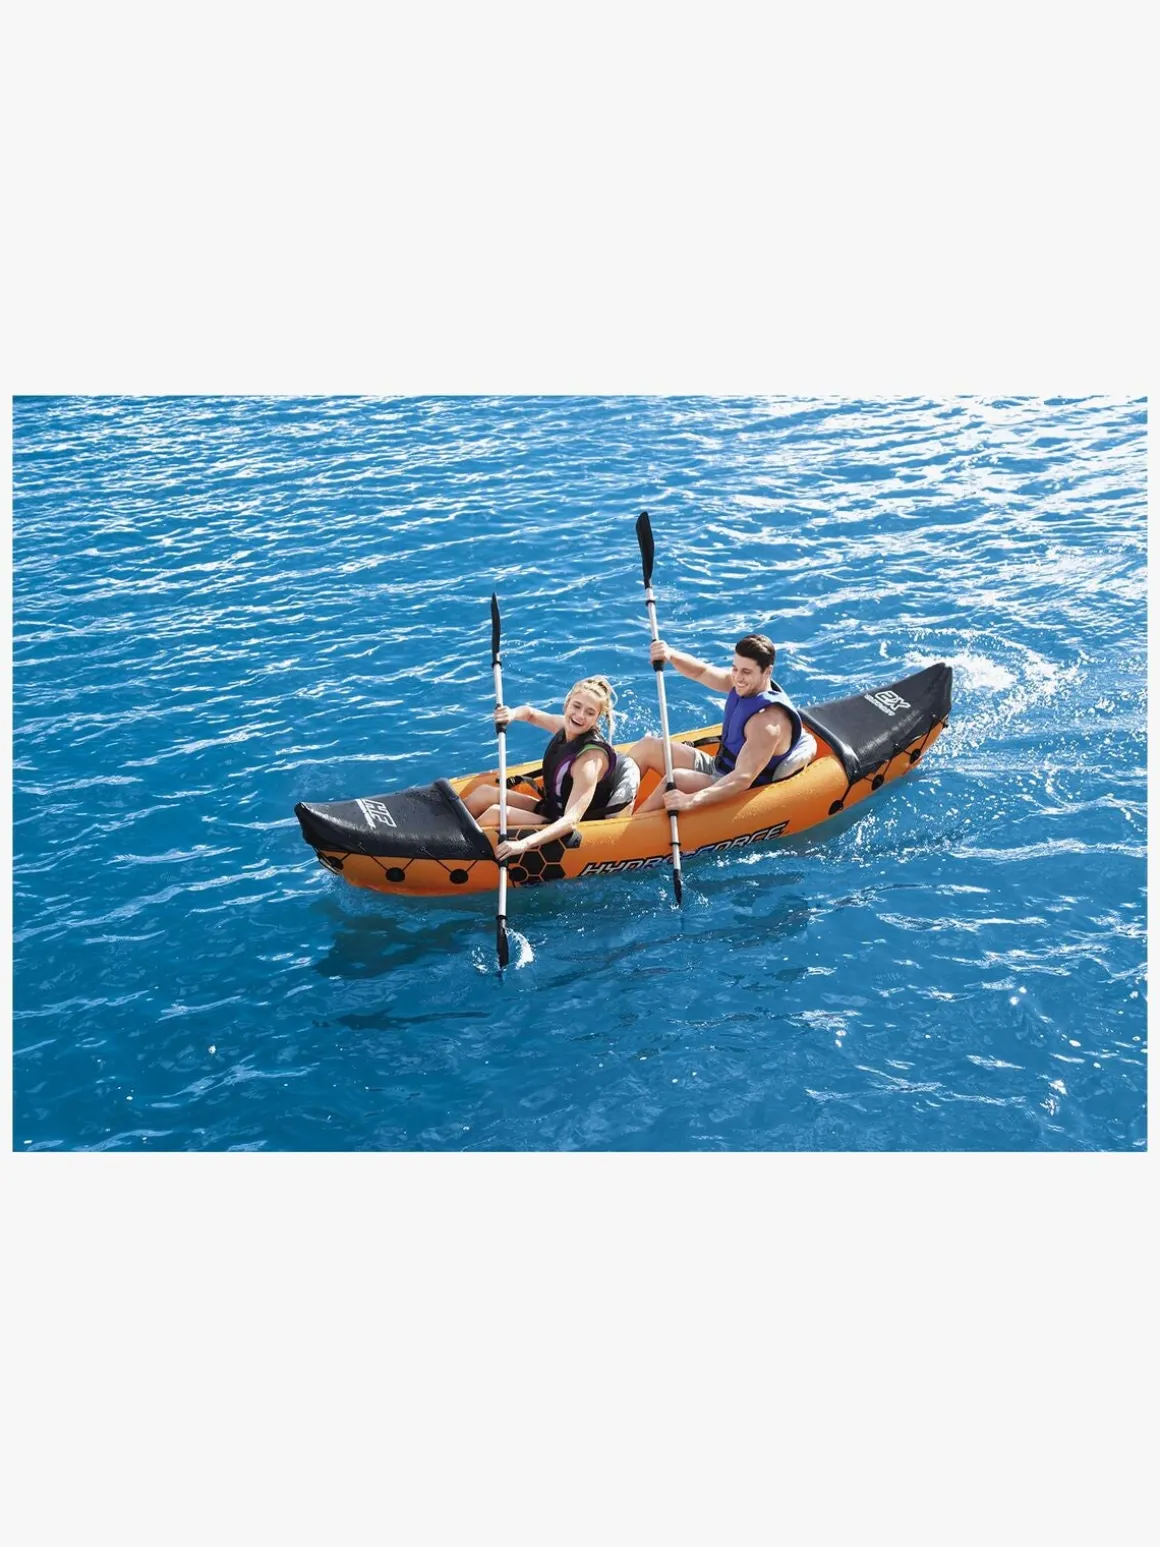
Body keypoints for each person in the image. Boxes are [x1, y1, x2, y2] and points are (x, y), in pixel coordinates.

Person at [628, 633, 816, 814]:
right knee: (648, 746)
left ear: (767, 672)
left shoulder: (767, 723)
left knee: (675, 779)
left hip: (734, 789)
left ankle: (626, 829)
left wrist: (691, 800)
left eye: (746, 672)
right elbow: (701, 672)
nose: (737, 677)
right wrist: (671, 654)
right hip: (719, 767)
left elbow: (742, 779)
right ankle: (616, 807)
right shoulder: (745, 685)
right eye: (735, 668)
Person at [464, 675, 640, 861]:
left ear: (596, 719)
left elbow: (571, 821)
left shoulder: (589, 762)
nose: (580, 715)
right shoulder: (565, 726)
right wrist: (511, 714)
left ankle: (463, 852)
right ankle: (451, 829)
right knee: (483, 793)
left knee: (496, 813)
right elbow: (530, 714)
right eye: (577, 706)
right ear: (567, 704)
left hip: (564, 827)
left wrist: (523, 844)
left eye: (590, 713)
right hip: (550, 808)